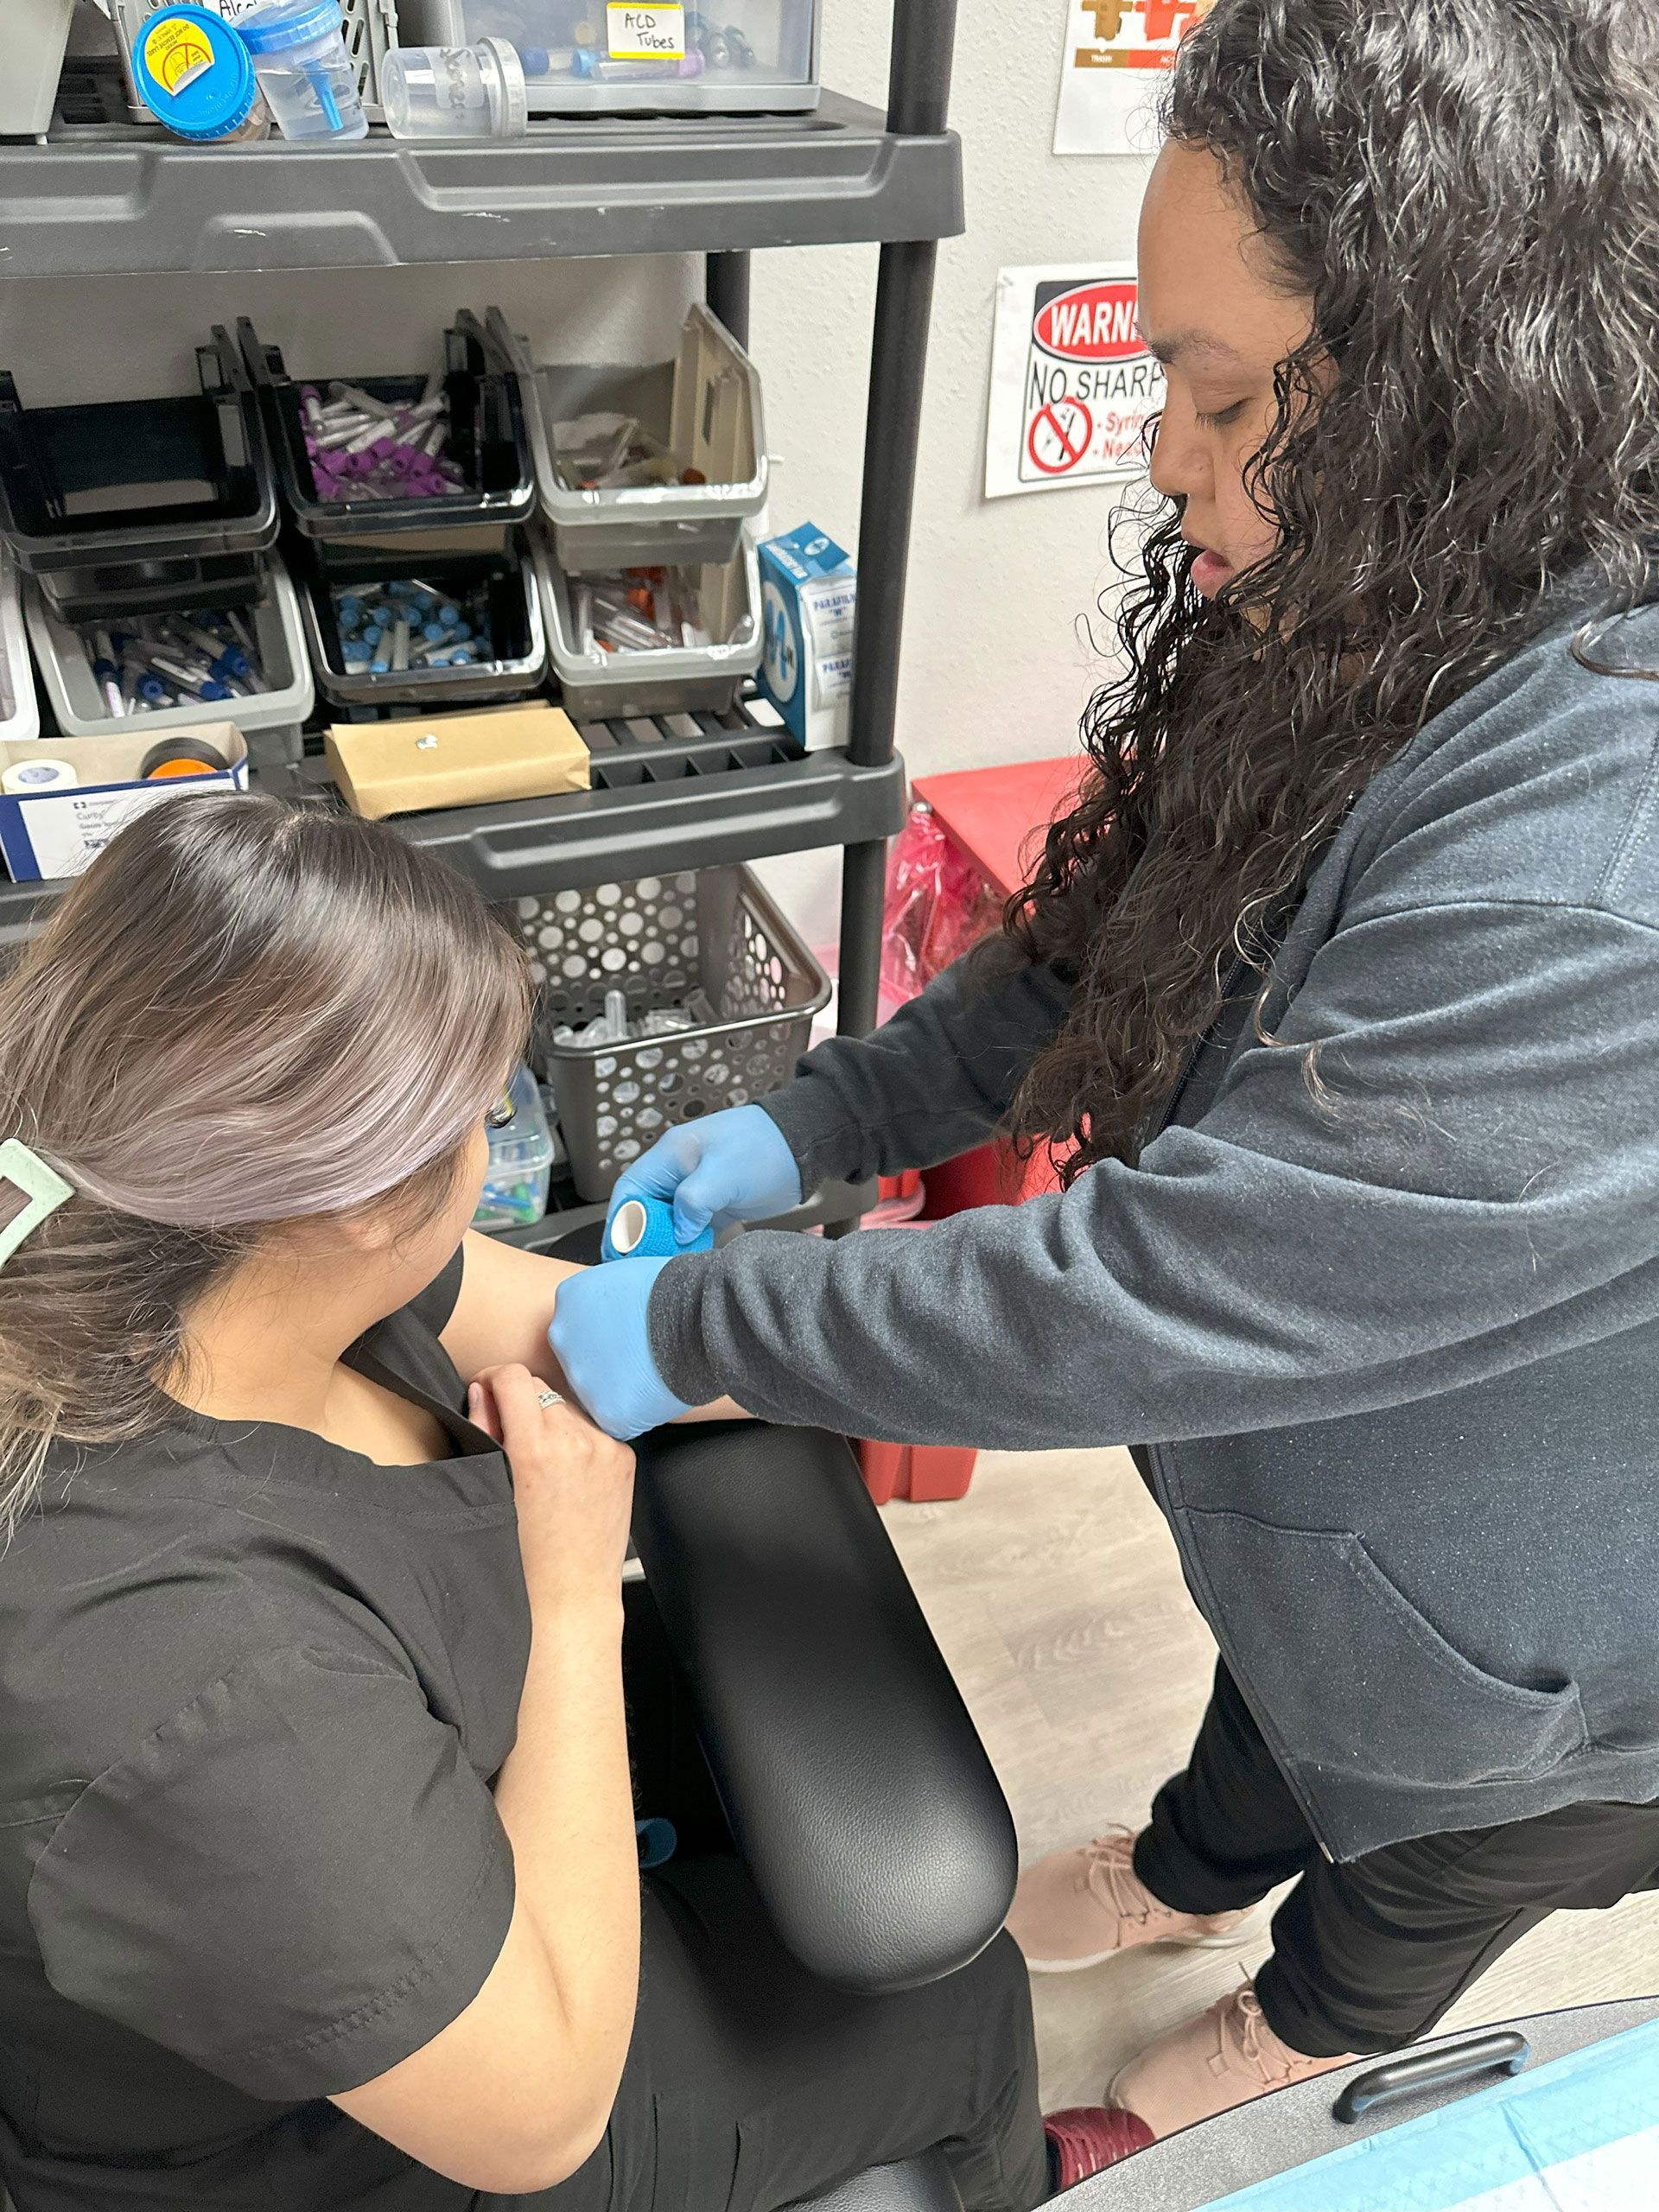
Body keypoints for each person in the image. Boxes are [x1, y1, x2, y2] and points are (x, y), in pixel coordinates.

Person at [549, 0, 1659, 2145]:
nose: (1164, 449)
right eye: (1163, 369)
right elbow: (1105, 949)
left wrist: (690, 1323)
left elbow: (1139, 1293)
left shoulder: (1595, 884)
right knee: (1272, 1716)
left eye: (1217, 392)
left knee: (1411, 1856)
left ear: (1448, 393)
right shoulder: (1381, 608)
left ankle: (1292, 2029)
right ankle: (1181, 1869)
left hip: (1539, 1664)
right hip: (1329, 1530)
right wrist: (823, 1115)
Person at [0, 797, 1141, 2212]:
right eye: (483, 1113)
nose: (494, 1143)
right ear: (357, 1196)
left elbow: (577, 1324)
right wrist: (567, 1586)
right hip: (333, 2142)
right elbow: (534, 2115)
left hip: (386, 1794)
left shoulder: (191, 1238)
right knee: (958, 2011)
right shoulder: (192, 1678)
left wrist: (773, 1324)